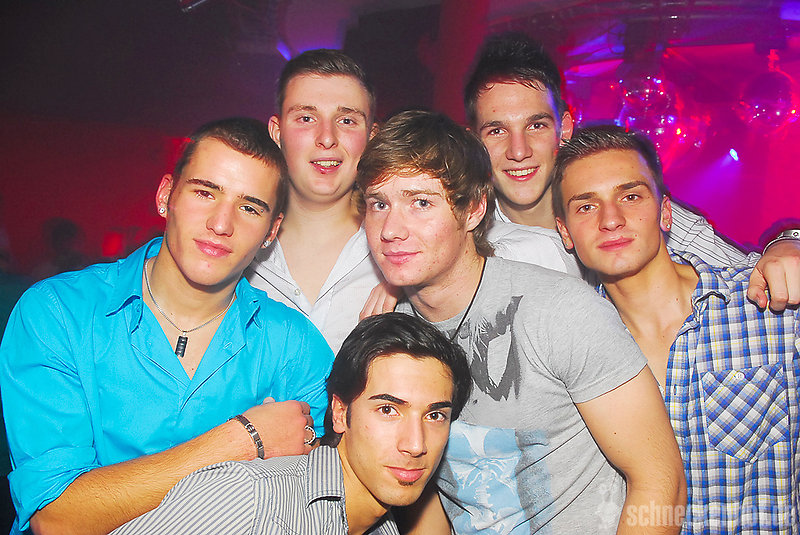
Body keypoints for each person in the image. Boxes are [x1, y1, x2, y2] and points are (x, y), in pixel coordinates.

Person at [358, 109, 686, 534]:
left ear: (474, 209)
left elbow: (662, 482)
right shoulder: (392, 329)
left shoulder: (560, 310)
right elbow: (424, 497)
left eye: (421, 202)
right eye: (379, 204)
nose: (391, 230)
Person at [0, 118, 334, 535]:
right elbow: (56, 517)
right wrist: (242, 440)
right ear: (165, 197)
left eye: (250, 207)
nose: (221, 224)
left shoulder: (295, 345)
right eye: (205, 192)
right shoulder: (59, 314)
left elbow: (322, 508)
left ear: (271, 231)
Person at [552, 125, 799, 534]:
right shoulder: (567, 352)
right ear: (565, 232)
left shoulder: (766, 306)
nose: (611, 220)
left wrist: (792, 238)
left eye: (630, 196)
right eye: (587, 206)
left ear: (666, 213)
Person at [465, 32, 800, 311]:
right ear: (473, 141)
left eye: (536, 125)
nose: (519, 151)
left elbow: (751, 271)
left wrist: (787, 243)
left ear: (563, 128)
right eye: (497, 130)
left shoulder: (629, 203)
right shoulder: (464, 240)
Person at [111, 312, 472, 535]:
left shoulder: (382, 527)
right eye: (388, 410)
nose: (415, 444)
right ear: (340, 413)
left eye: (435, 415)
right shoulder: (252, 498)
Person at [246, 49, 386, 353]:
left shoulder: (402, 253)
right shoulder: (237, 246)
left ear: (372, 137)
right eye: (306, 118)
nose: (326, 137)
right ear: (277, 133)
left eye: (346, 120)